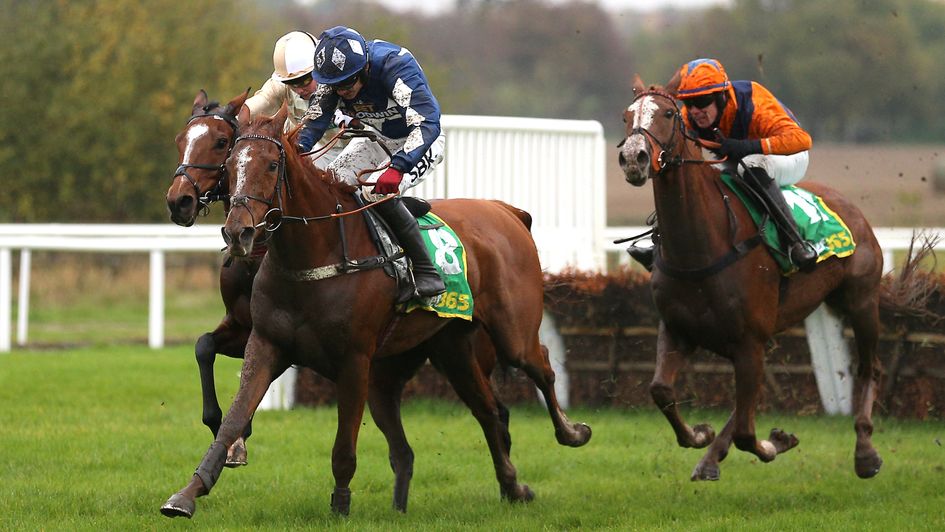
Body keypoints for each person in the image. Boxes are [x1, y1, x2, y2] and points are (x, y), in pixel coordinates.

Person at [297, 26, 447, 298]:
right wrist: (295, 151)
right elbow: (312, 125)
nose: (342, 92)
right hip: (377, 139)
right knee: (334, 182)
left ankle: (427, 272)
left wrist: (398, 167)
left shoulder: (395, 65)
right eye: (336, 86)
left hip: (421, 139)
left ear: (365, 67)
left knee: (374, 190)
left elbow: (427, 123)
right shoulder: (334, 82)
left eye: (348, 83)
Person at [629, 58, 818, 273]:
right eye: (690, 103)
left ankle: (795, 243)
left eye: (703, 102)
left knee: (750, 163)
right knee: (694, 176)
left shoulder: (754, 100)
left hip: (788, 157)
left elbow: (802, 140)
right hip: (737, 162)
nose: (695, 111)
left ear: (721, 97)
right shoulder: (689, 117)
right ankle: (659, 243)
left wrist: (748, 146)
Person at [237, 31, 352, 168]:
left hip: (354, 147)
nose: (299, 89)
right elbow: (262, 101)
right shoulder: (279, 85)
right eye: (292, 83)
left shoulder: (342, 79)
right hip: (311, 151)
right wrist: (232, 117)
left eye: (305, 80)